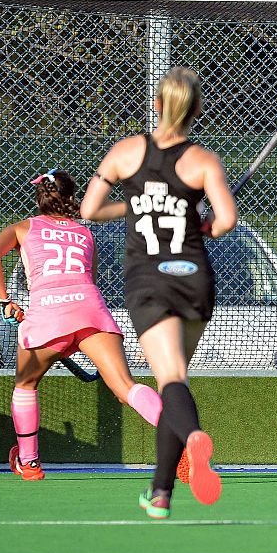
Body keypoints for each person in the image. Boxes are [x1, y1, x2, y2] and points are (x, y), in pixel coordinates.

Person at [80, 67, 237, 518]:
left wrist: (131, 204)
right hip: (193, 277)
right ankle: (161, 492)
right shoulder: (203, 161)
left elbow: (90, 210)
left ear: (157, 105)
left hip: (150, 280)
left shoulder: (126, 152)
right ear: (196, 110)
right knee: (175, 379)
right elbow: (224, 222)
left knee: (171, 380)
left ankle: (193, 440)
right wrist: (203, 224)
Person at [0, 169, 163, 481]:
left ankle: (29, 462)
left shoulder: (24, 228)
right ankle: (182, 432)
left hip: (49, 315)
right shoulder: (85, 234)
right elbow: (88, 280)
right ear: (70, 198)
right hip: (91, 311)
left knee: (26, 385)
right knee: (125, 387)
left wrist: (5, 300)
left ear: (40, 196)